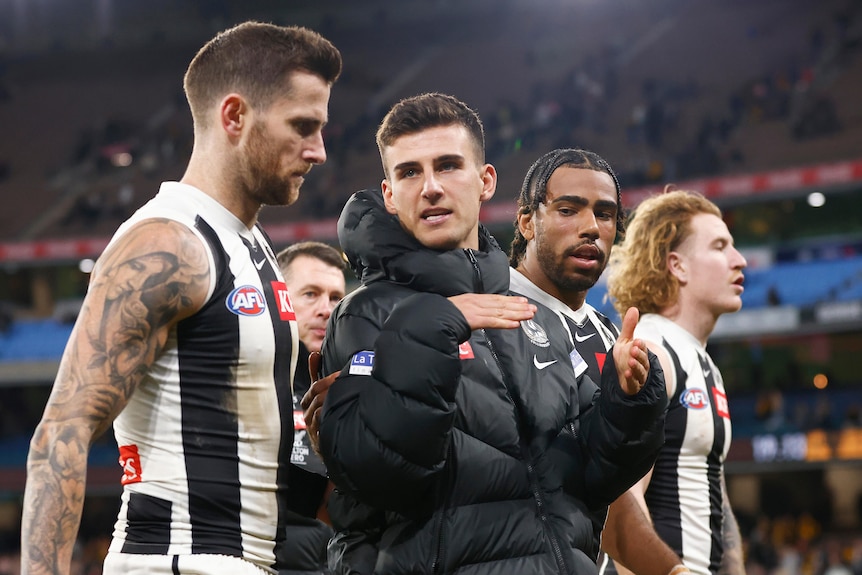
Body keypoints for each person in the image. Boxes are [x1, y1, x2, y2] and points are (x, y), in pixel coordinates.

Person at [21, 21, 342, 575]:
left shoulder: (253, 242)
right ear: (235, 116)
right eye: (302, 126)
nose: (318, 151)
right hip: (179, 560)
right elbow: (62, 431)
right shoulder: (169, 243)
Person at [313, 92, 668, 574]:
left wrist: (627, 400)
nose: (431, 187)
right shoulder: (365, 314)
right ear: (390, 194)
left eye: (448, 165)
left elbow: (590, 479)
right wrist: (432, 330)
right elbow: (381, 476)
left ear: (485, 181)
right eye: (410, 172)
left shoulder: (531, 315)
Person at [508, 148, 686, 575]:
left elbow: (616, 509)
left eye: (605, 215)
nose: (591, 227)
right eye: (568, 209)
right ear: (527, 221)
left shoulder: (612, 338)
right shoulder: (482, 313)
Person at [605, 189, 748, 575]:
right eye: (720, 247)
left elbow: (714, 493)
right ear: (677, 266)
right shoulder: (654, 352)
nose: (740, 260)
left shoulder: (701, 361)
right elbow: (620, 507)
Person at [276, 241, 347, 575]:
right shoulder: (248, 382)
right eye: (310, 294)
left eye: (335, 298)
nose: (326, 309)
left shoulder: (357, 386)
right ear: (278, 298)